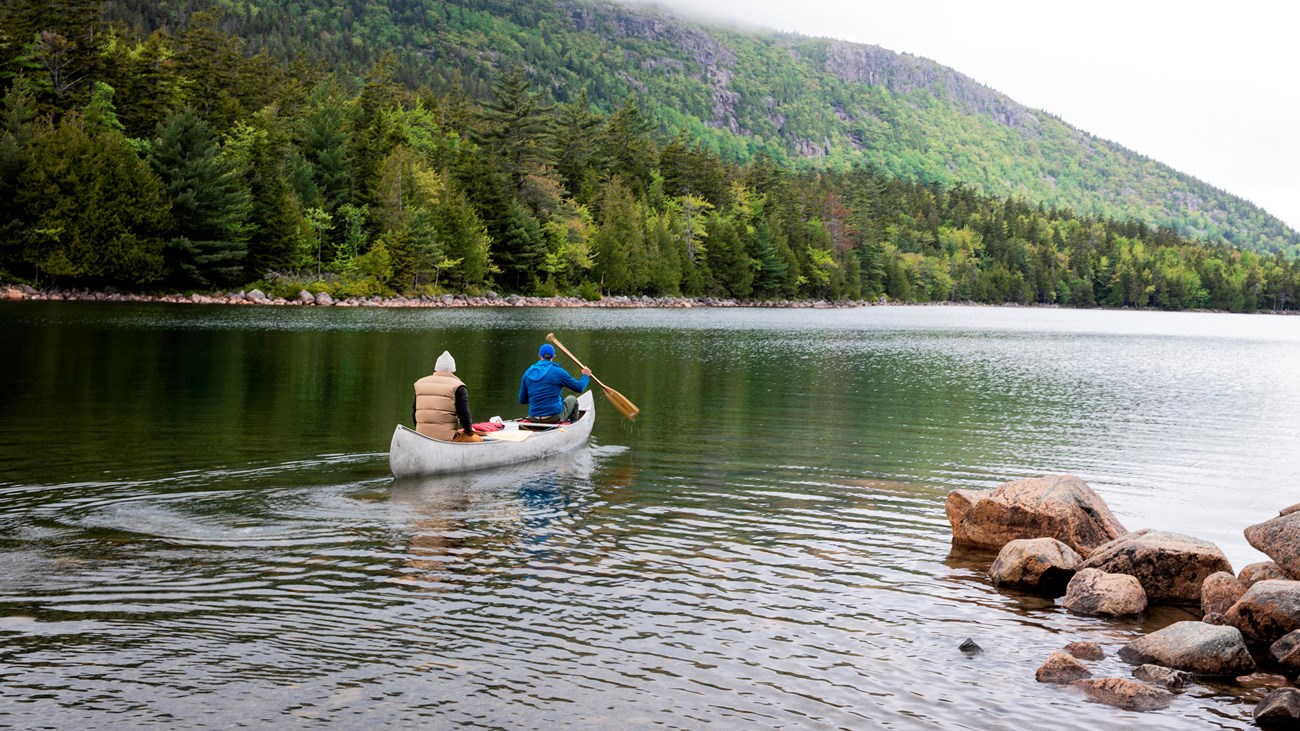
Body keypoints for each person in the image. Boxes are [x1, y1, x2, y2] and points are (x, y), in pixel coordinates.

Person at [412, 351, 482, 442]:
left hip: (422, 435)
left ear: (436, 368)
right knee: (477, 439)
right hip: (447, 438)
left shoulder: (420, 384)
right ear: (453, 370)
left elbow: (414, 412)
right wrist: (469, 430)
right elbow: (464, 414)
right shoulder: (458, 386)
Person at [519, 343, 591, 423]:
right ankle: (573, 426)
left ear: (539, 356)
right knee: (572, 399)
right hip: (553, 417)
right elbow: (579, 387)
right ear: (554, 356)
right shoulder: (558, 372)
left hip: (533, 418)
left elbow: (522, 400)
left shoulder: (527, 373)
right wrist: (585, 376)